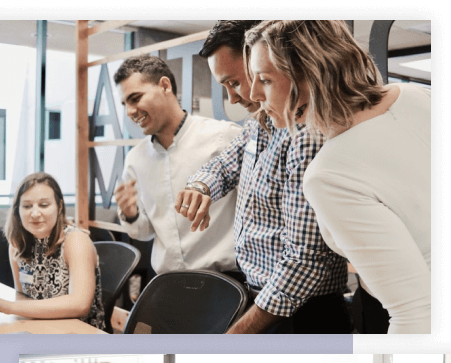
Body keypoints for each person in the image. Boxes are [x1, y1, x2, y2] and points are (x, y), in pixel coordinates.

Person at [244, 20, 431, 334]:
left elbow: (415, 313)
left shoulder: (329, 175)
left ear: (310, 73)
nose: (252, 94)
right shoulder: (415, 96)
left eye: (264, 80)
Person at [174, 20, 353, 334]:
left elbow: (304, 260)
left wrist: (239, 333)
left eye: (234, 82)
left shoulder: (308, 135)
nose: (234, 98)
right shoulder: (260, 122)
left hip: (302, 313)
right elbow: (225, 164)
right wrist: (200, 186)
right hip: (264, 298)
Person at [112, 55, 244, 280]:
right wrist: (130, 214)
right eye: (125, 104)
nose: (129, 112)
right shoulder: (136, 159)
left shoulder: (224, 137)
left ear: (165, 86)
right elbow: (144, 232)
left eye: (136, 98)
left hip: (226, 281)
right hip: (167, 283)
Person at [0, 172, 105, 330]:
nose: (35, 213)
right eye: (27, 206)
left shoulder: (75, 241)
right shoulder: (18, 245)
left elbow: (80, 304)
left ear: (59, 207)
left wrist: (8, 307)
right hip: (41, 327)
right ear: (18, 211)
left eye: (44, 205)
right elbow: (23, 297)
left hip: (80, 335)